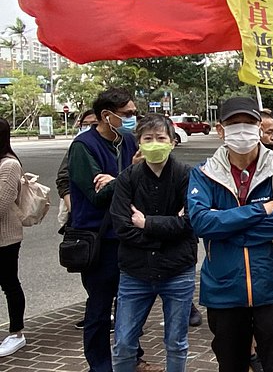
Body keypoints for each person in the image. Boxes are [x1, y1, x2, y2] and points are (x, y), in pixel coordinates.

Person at [187, 97, 273, 372]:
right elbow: (201, 223)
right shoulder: (203, 173)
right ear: (220, 129)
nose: (242, 130)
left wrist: (230, 230)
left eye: (249, 123)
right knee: (231, 364)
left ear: (259, 127)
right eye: (233, 123)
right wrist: (259, 210)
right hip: (224, 289)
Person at [68, 88, 162, 372]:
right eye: (128, 114)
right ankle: (100, 365)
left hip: (129, 235)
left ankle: (132, 358)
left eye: (135, 113)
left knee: (130, 304)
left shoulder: (128, 143)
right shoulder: (84, 146)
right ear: (106, 116)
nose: (133, 119)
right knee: (99, 307)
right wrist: (127, 176)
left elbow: (141, 187)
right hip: (99, 238)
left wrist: (118, 180)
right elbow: (96, 195)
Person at [110, 114, 197, 372]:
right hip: (135, 272)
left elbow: (191, 223)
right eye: (148, 139)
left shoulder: (187, 176)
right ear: (139, 143)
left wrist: (147, 223)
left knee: (176, 342)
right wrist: (170, 228)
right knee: (124, 342)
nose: (154, 143)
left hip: (177, 271)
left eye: (161, 138)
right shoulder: (127, 178)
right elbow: (122, 227)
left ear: (172, 142)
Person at [0, 118, 26, 357]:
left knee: (9, 284)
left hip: (5, 238)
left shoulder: (8, 165)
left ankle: (16, 332)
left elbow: (1, 204)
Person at [56, 109, 98, 228]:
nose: (90, 128)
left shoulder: (118, 145)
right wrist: (73, 209)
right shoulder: (78, 146)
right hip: (81, 219)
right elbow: (63, 178)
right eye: (85, 124)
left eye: (95, 124)